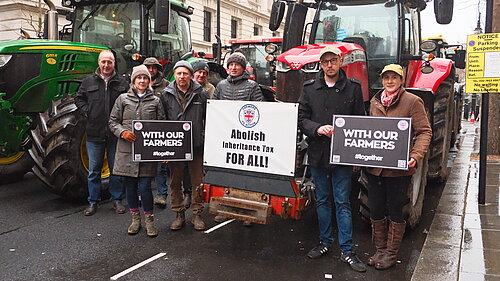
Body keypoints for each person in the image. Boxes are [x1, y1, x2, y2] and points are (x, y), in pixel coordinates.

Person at [298, 46, 366, 272]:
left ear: (340, 61)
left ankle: (347, 249)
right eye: (325, 61)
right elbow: (302, 119)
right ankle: (324, 242)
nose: (329, 65)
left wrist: (355, 152)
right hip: (318, 153)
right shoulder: (309, 89)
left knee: (343, 202)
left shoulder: (353, 89)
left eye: (333, 60)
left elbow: (360, 121)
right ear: (321, 64)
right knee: (322, 200)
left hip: (342, 155)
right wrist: (318, 129)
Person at [365, 64, 431, 270]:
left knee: (395, 209)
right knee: (375, 208)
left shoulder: (412, 101)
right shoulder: (375, 102)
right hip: (375, 168)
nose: (390, 81)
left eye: (394, 77)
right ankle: (380, 249)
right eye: (386, 78)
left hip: (398, 169)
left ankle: (391, 253)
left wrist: (415, 155)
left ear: (401, 80)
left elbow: (424, 131)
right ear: (382, 80)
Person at [109, 65, 165, 237]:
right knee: (130, 188)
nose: (142, 81)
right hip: (127, 152)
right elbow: (112, 121)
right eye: (138, 78)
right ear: (133, 80)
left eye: (145, 78)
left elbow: (162, 126)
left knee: (146, 188)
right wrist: (122, 132)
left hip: (147, 153)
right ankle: (135, 219)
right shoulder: (122, 99)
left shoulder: (155, 101)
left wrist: (164, 151)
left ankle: (149, 221)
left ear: (149, 81)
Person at [75, 50, 128, 216]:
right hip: (94, 133)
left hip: (115, 134)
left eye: (109, 62)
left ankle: (117, 200)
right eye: (103, 62)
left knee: (116, 169)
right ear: (99, 63)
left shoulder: (122, 82)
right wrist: (87, 111)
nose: (106, 65)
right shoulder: (88, 81)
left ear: (114, 64)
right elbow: (78, 98)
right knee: (94, 171)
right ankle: (93, 202)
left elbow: (128, 101)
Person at [212, 52, 264, 225]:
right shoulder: (220, 86)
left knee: (247, 176)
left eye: (237, 65)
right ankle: (226, 209)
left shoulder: (252, 86)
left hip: (247, 138)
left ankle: (247, 211)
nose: (233, 68)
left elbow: (261, 111)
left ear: (243, 67)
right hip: (226, 137)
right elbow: (214, 109)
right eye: (231, 64)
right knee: (226, 175)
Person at [160, 61, 208, 231]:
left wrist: (201, 138)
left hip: (196, 146)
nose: (182, 77)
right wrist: (164, 147)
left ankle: (197, 214)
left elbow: (208, 120)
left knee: (197, 182)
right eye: (179, 73)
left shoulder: (201, 94)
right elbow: (162, 121)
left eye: (185, 73)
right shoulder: (166, 95)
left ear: (190, 75)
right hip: (175, 147)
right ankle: (178, 213)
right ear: (175, 75)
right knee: (175, 182)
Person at [143, 57, 170, 208]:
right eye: (148, 67)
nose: (151, 70)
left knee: (161, 166)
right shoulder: (138, 83)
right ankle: (143, 194)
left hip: (160, 129)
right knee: (143, 166)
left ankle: (161, 194)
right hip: (143, 131)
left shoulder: (166, 85)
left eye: (154, 67)